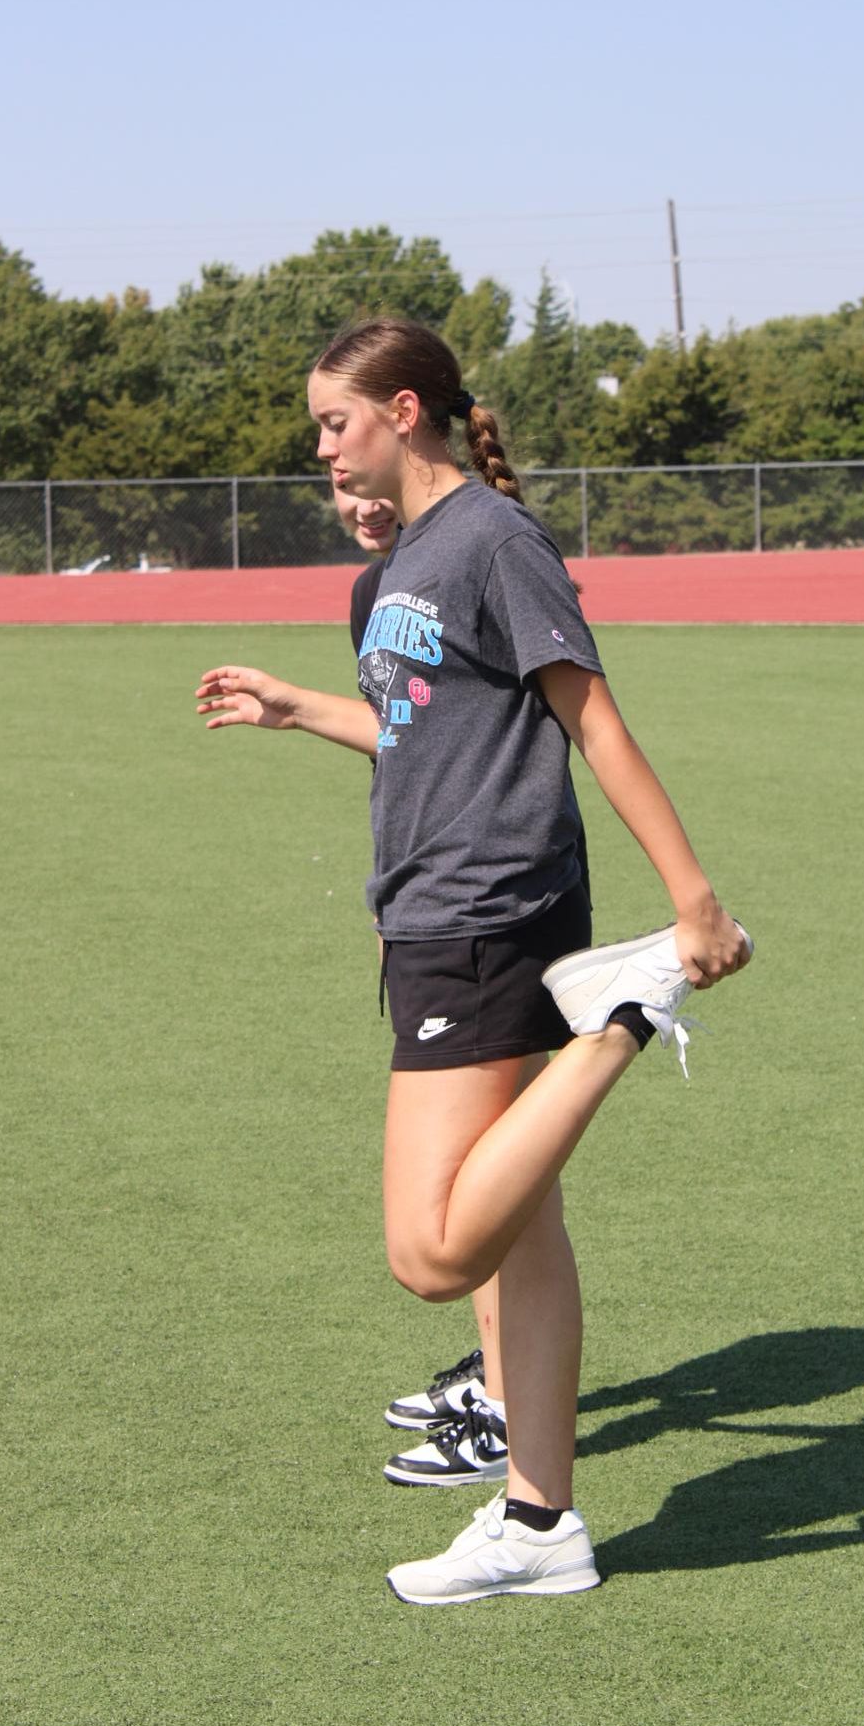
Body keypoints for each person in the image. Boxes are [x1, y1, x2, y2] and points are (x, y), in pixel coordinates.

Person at [196, 319, 752, 1603]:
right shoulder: (391, 566)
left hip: (485, 918)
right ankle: (540, 1522)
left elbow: (589, 718)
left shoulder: (493, 542)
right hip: (439, 917)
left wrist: (691, 898)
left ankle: (621, 1008)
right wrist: (299, 710)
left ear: (402, 410)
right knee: (516, 1229)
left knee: (431, 1253)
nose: (321, 450)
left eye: (334, 423)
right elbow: (419, 735)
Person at [334, 478, 510, 1485]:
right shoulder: (374, 593)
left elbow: (497, 738)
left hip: (481, 901)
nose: (347, 491)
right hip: (423, 897)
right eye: (330, 481)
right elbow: (403, 742)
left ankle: (507, 1395)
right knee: (497, 1172)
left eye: (352, 463)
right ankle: (501, 1374)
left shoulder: (466, 563)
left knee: (480, 1183)